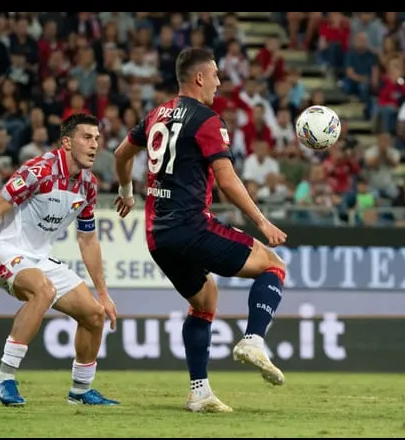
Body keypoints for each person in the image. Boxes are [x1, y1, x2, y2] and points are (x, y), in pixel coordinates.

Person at [112, 48, 288, 413]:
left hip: (157, 236)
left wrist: (127, 191)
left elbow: (120, 154)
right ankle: (254, 339)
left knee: (205, 301)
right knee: (273, 265)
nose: (219, 83)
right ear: (199, 78)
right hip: (192, 226)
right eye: (216, 76)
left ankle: (199, 392)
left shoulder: (156, 114)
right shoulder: (207, 120)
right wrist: (262, 221)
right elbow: (226, 179)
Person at [0, 113, 118, 407]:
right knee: (43, 289)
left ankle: (80, 390)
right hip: (3, 249)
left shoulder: (88, 185)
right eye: (86, 138)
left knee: (93, 314)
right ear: (66, 142)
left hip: (39, 259)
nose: (94, 145)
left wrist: (103, 292)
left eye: (97, 139)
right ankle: (3, 379)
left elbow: (87, 239)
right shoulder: (39, 170)